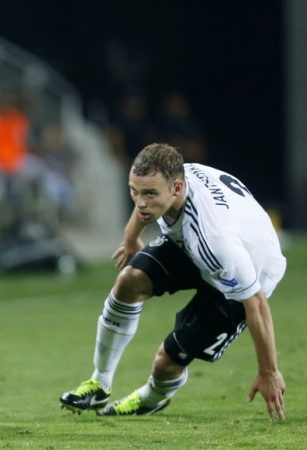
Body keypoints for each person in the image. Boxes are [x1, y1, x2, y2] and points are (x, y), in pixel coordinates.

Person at [60, 143, 286, 421]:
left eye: (150, 194)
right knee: (130, 280)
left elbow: (257, 303)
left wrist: (268, 372)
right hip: (196, 246)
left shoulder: (216, 240)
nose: (140, 202)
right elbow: (146, 204)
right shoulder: (172, 180)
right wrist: (131, 238)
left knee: (166, 362)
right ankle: (99, 383)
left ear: (177, 189)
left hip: (247, 275)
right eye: (134, 190)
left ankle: (150, 399)